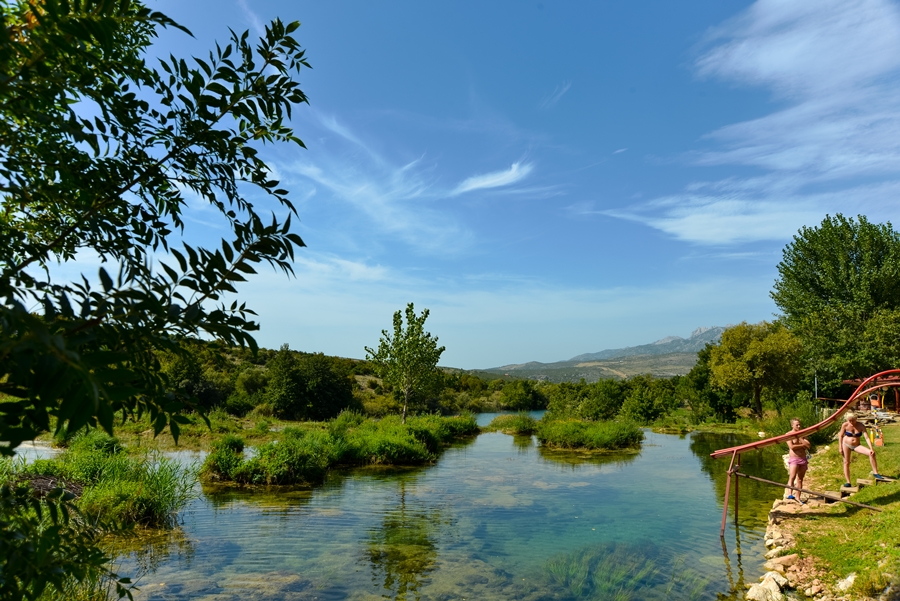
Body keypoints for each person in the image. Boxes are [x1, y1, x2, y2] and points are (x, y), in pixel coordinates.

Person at [838, 411, 884, 487]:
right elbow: (840, 436)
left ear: (856, 419)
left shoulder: (861, 426)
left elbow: (866, 437)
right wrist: (840, 447)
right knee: (846, 462)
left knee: (871, 453)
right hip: (845, 444)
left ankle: (875, 473)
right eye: (849, 420)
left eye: (852, 420)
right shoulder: (845, 425)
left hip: (856, 445)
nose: (851, 422)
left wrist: (871, 448)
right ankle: (848, 482)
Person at [785, 418, 811, 502]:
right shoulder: (788, 434)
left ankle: (798, 497)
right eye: (797, 425)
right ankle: (789, 494)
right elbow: (792, 447)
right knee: (792, 476)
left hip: (803, 459)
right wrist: (802, 445)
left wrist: (799, 438)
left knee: (800, 479)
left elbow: (808, 445)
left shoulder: (803, 434)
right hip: (794, 458)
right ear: (792, 425)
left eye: (799, 424)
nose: (799, 426)